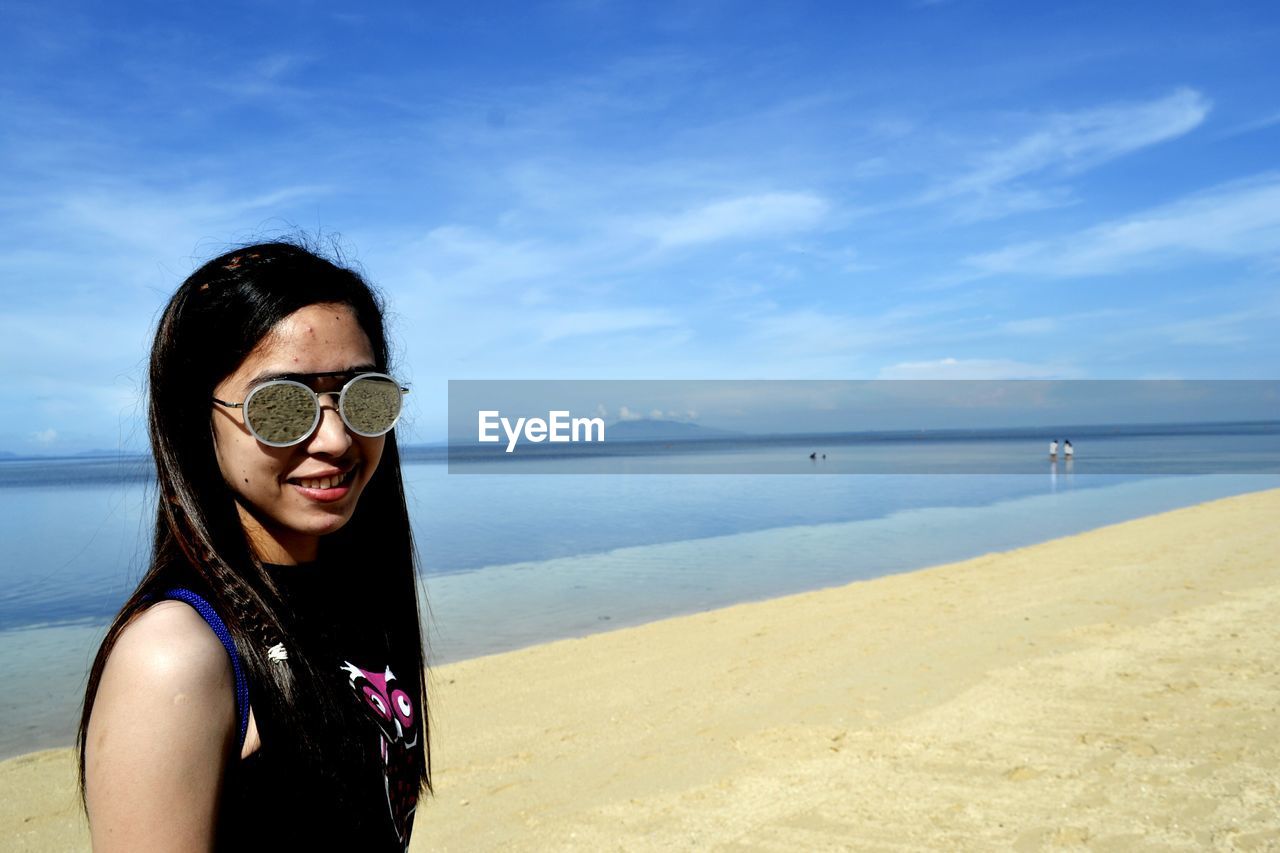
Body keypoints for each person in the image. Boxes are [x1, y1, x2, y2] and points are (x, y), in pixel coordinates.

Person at [77, 242, 430, 851]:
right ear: (196, 419)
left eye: (364, 396)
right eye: (281, 405)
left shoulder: (351, 596)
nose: (337, 439)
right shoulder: (174, 658)